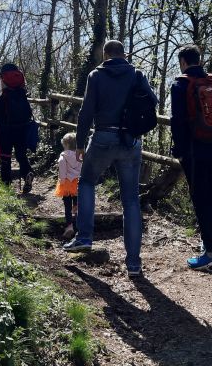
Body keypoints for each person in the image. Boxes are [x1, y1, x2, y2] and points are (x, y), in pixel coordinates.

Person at [63, 40, 157, 278]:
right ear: (123, 54)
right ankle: (134, 264)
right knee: (131, 201)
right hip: (130, 141)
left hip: (103, 136)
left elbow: (86, 111)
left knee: (86, 182)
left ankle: (84, 237)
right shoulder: (136, 74)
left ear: (105, 55)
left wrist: (81, 144)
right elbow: (152, 101)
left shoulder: (96, 75)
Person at [170, 44, 212, 272]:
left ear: (183, 62)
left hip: (194, 150)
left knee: (201, 197)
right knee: (208, 194)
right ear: (199, 59)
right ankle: (209, 245)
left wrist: (179, 150)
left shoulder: (180, 84)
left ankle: (210, 255)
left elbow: (177, 122)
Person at [0, 63, 34, 191]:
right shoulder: (22, 93)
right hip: (22, 129)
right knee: (21, 154)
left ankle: (6, 183)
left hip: (5, 129)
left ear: (3, 78)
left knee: (5, 155)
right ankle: (27, 173)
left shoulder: (3, 94)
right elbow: (28, 113)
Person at [55, 132, 82, 240]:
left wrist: (61, 182)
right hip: (77, 182)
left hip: (66, 183)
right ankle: (79, 224)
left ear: (65, 144)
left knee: (67, 206)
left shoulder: (63, 157)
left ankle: (69, 226)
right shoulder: (80, 156)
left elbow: (62, 172)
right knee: (77, 204)